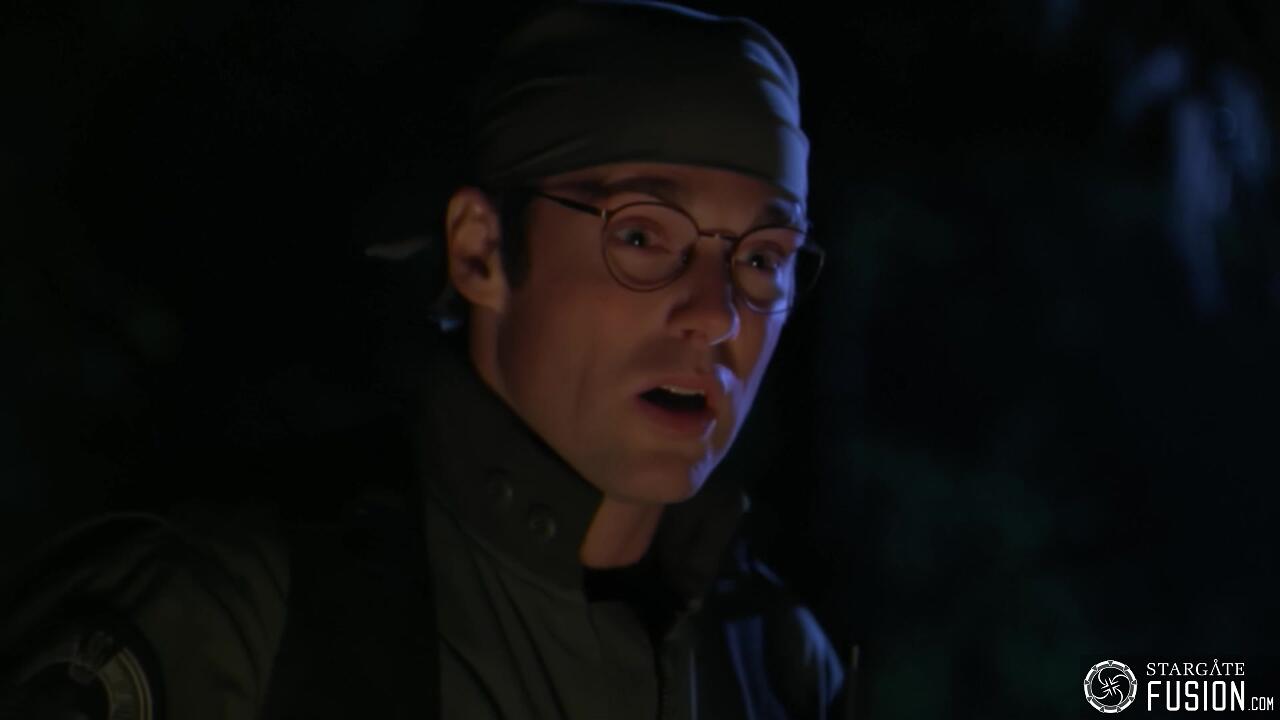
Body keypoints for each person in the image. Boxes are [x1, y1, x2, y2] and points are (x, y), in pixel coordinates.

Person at [0, 1, 847, 718]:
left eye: (761, 258)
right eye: (641, 237)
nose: (715, 314)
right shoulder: (235, 616)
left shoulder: (776, 664)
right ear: (481, 250)